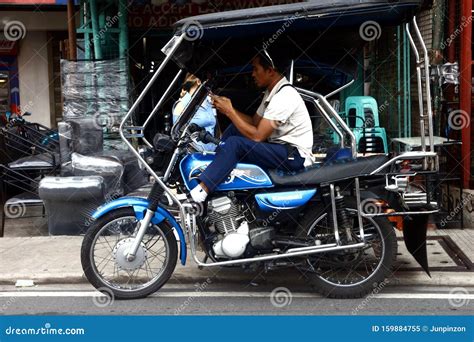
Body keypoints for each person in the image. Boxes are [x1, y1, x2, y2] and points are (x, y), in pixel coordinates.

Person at [189, 49, 315, 203]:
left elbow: (258, 136)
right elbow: (254, 122)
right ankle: (216, 166)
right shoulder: (272, 93)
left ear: (270, 70)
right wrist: (229, 108)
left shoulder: (285, 96)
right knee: (235, 129)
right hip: (281, 149)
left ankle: (203, 189)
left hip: (295, 156)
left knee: (235, 144)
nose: (252, 74)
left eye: (256, 69)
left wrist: (229, 112)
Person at [173, 73, 217, 152]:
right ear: (199, 81)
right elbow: (178, 136)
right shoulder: (181, 105)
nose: (210, 85)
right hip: (196, 154)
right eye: (208, 81)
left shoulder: (207, 102)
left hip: (213, 150)